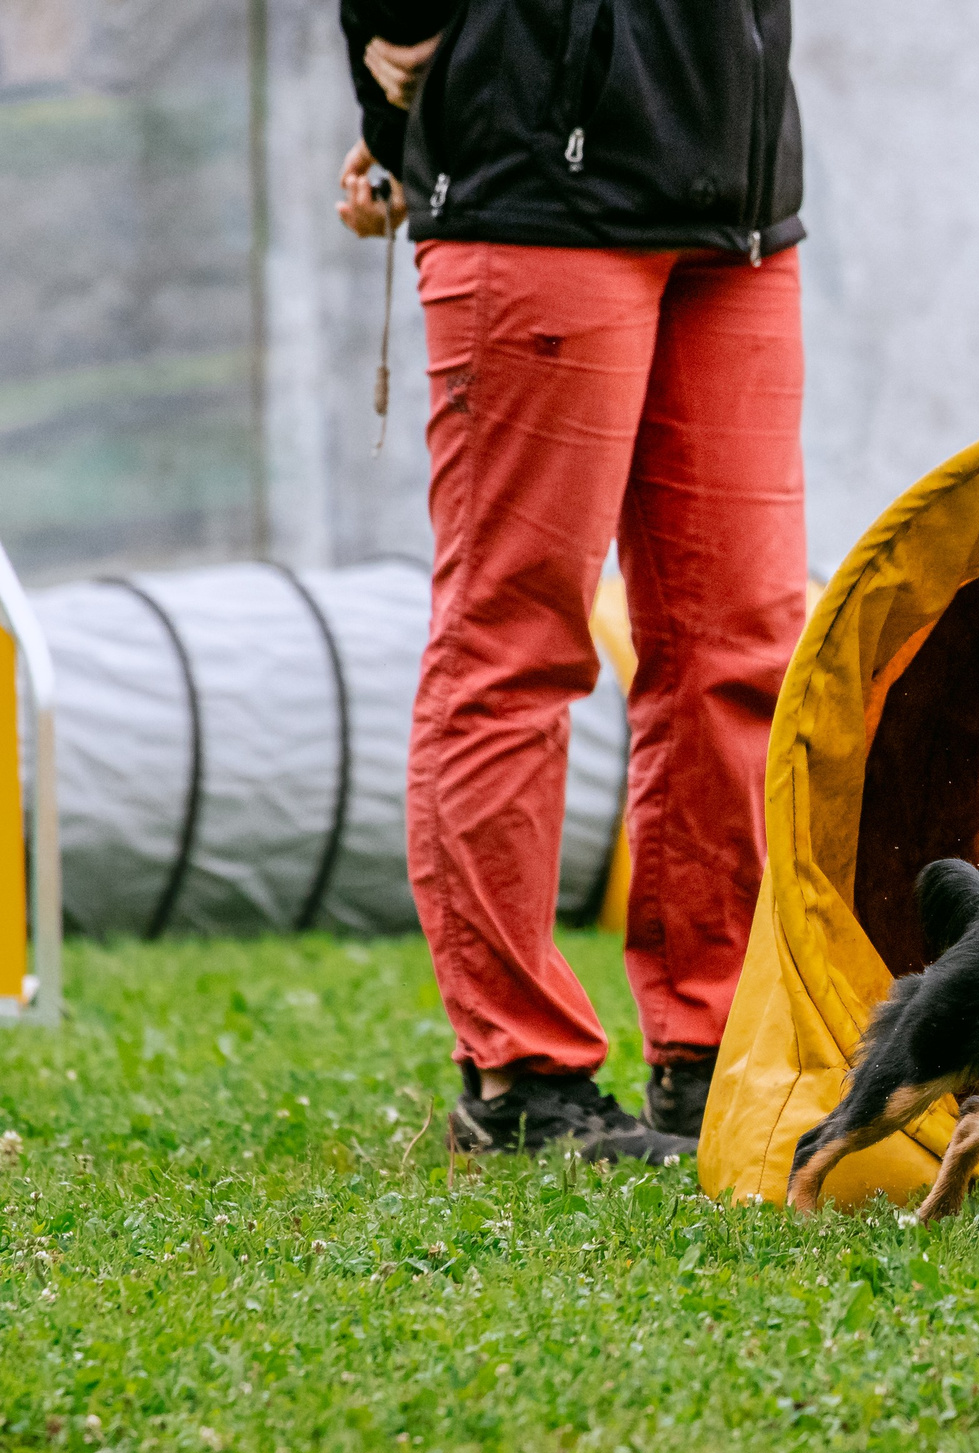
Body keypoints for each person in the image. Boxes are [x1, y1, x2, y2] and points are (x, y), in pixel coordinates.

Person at [335, 1, 808, 1162]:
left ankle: (712, 1054)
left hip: (738, 208)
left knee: (739, 652)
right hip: (545, 196)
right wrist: (407, 76)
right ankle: (519, 1076)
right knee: (517, 647)